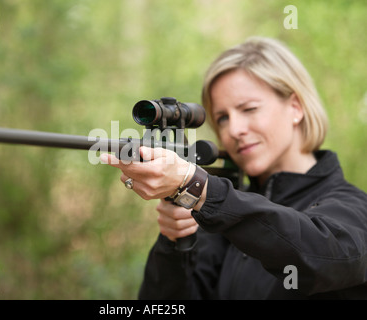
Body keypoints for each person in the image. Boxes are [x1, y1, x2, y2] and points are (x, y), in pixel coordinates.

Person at [100, 36, 367, 299]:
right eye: (223, 118)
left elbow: (319, 256)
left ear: (295, 108)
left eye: (249, 109)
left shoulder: (353, 207)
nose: (234, 130)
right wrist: (174, 243)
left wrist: (197, 187)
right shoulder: (220, 217)